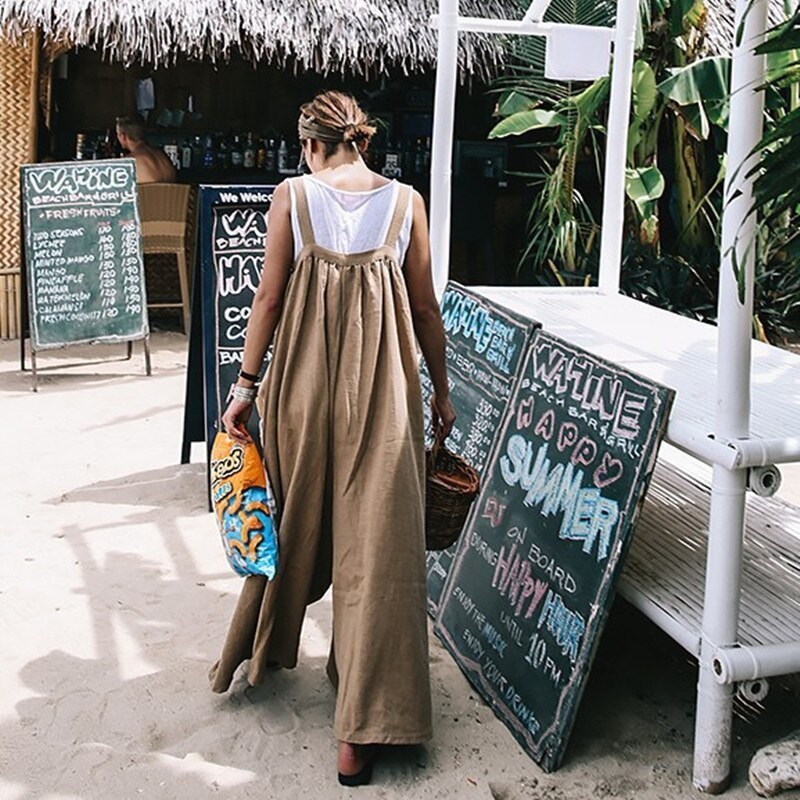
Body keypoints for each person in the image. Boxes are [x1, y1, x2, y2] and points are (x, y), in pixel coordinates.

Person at [210, 90, 456, 786]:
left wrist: (245, 387)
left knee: (292, 518)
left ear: (311, 144)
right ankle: (362, 729)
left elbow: (269, 296)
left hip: (304, 391)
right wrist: (441, 391)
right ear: (362, 141)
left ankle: (257, 651)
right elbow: (426, 308)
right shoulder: (407, 202)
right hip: (385, 397)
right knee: (378, 546)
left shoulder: (293, 195)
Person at [115, 114, 176, 184]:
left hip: (148, 195)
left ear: (123, 137)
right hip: (171, 194)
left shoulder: (128, 163)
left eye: (118, 134)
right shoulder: (162, 155)